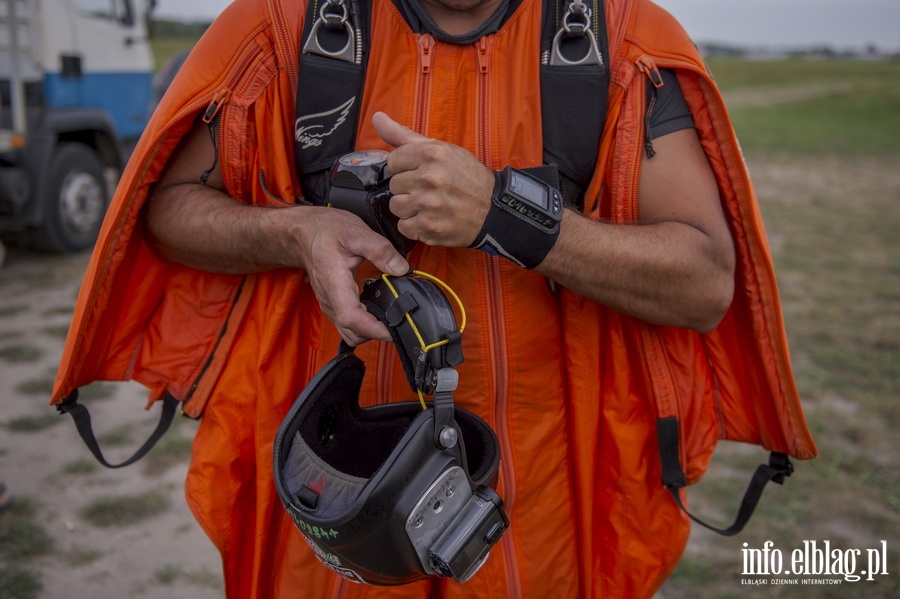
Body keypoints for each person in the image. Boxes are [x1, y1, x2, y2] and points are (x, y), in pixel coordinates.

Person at [51, 0, 816, 597]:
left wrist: (508, 213)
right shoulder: (288, 28)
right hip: (335, 471)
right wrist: (299, 231)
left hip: (536, 486)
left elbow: (708, 281)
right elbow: (168, 211)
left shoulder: (619, 41)